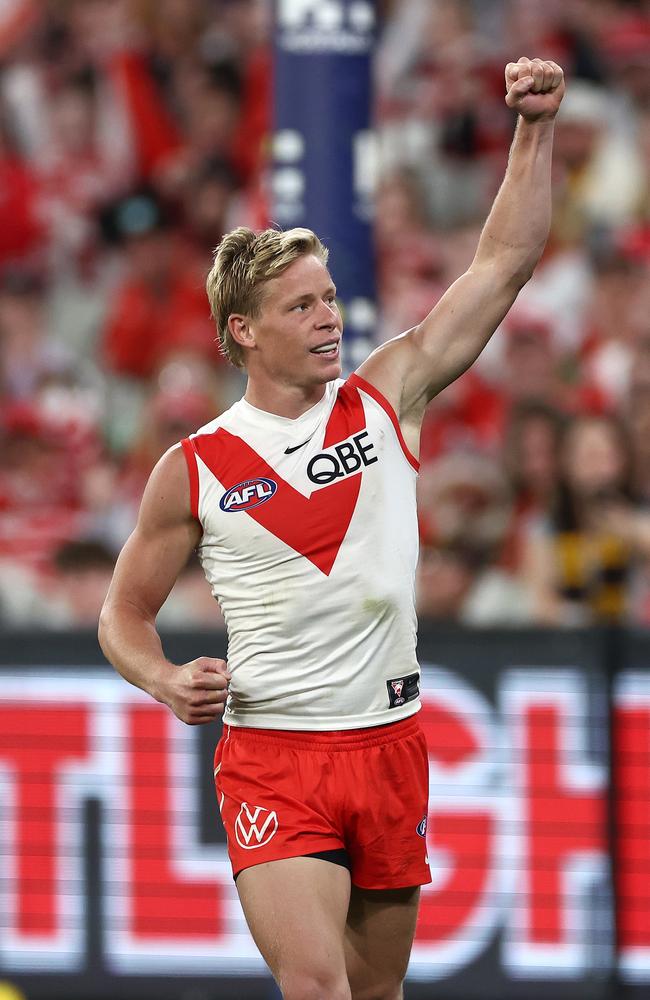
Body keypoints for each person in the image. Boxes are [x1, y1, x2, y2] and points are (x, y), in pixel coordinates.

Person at [99, 57, 565, 1000]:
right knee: (317, 990)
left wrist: (534, 129)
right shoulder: (192, 468)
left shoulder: (388, 395)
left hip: (391, 743)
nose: (328, 318)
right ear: (242, 333)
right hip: (274, 756)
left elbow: (504, 265)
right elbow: (122, 614)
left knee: (375, 994)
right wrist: (160, 677)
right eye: (300, 306)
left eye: (329, 298)